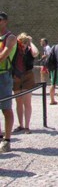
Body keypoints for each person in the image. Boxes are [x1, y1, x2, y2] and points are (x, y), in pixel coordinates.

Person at [12, 33, 38, 134]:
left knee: (27, 102)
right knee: (18, 102)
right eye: (21, 42)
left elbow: (35, 53)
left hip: (27, 75)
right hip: (16, 76)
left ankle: (27, 126)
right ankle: (21, 125)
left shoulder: (30, 50)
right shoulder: (15, 50)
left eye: (25, 42)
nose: (23, 44)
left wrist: (31, 42)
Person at [0, 12, 16, 152]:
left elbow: (3, 56)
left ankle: (7, 139)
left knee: (6, 108)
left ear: (5, 21)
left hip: (4, 76)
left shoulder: (10, 38)